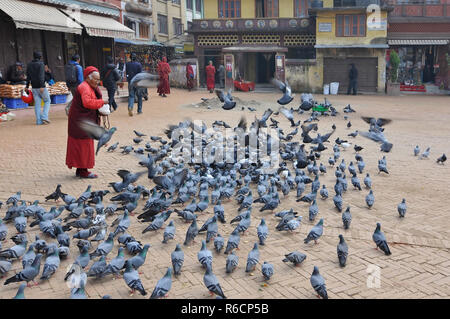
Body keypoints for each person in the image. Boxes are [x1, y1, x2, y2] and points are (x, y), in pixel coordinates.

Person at [66, 66, 107, 179]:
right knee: (83, 146)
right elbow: (87, 102)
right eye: (95, 79)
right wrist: (101, 102)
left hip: (83, 120)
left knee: (83, 146)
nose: (97, 82)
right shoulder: (84, 87)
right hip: (80, 122)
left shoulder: (90, 86)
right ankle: (83, 171)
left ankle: (81, 169)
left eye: (99, 79)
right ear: (88, 78)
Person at [26, 52, 51, 125]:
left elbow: (28, 76)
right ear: (40, 57)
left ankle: (38, 121)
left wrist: (27, 86)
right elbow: (41, 76)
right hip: (41, 87)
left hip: (33, 87)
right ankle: (44, 117)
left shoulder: (29, 64)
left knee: (37, 104)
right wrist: (42, 85)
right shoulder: (41, 64)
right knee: (47, 100)